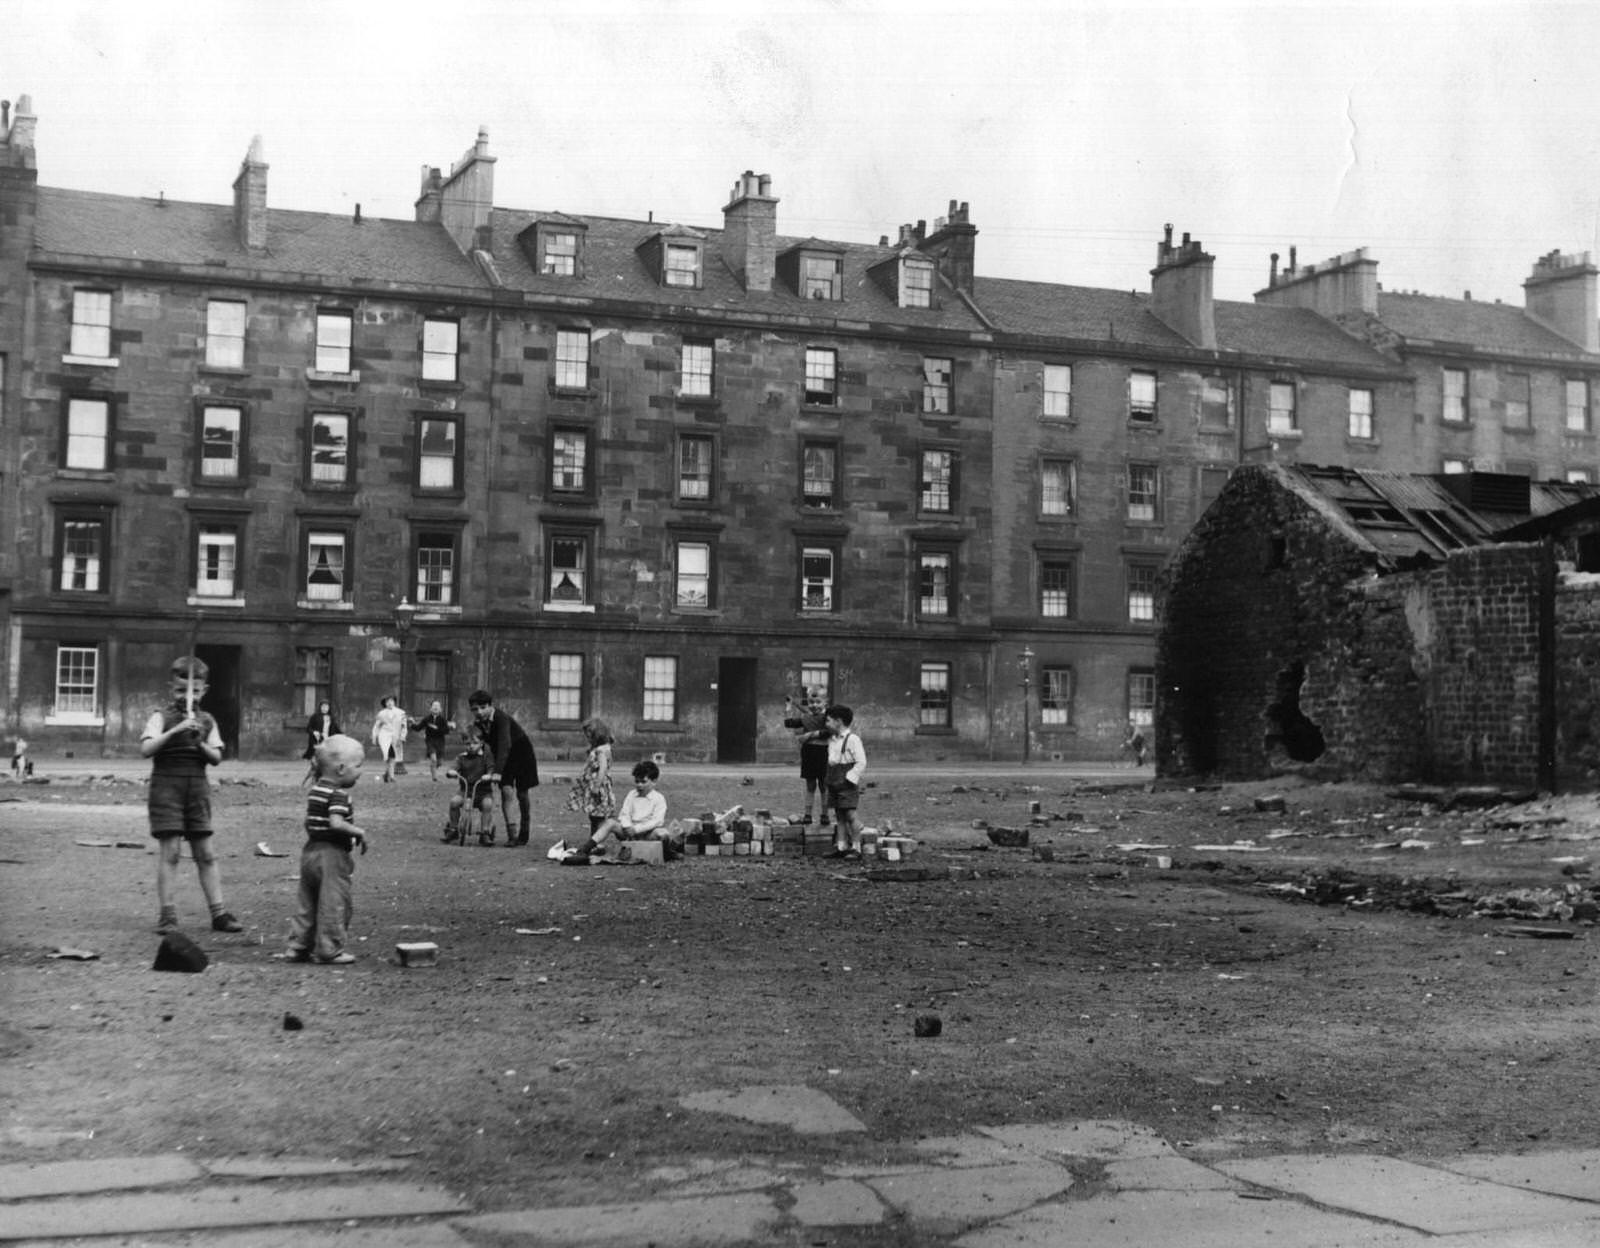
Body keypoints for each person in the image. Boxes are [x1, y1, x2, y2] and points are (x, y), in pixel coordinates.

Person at [141, 655, 242, 935]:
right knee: (171, 852)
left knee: (206, 853)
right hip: (166, 789)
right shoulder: (160, 717)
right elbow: (147, 749)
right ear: (170, 688)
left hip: (197, 790)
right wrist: (175, 731)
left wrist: (199, 743)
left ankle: (219, 914)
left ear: (204, 690)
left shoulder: (207, 721)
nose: (187, 698)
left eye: (195, 692)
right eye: (179, 691)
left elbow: (216, 758)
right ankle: (167, 916)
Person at [284, 734, 369, 965]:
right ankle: (329, 949)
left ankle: (298, 946)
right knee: (334, 902)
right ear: (341, 769)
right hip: (332, 856)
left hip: (310, 852)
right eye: (358, 766)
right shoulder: (339, 795)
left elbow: (309, 821)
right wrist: (358, 832)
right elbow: (336, 823)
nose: (361, 772)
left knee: (307, 902)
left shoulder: (316, 790)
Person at [468, 690, 540, 846]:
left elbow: (504, 744)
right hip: (503, 758)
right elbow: (481, 745)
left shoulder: (501, 718)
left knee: (522, 793)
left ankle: (524, 830)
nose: (479, 712)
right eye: (475, 709)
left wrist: (498, 772)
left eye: (483, 707)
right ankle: (512, 835)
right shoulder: (478, 723)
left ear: (490, 706)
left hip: (521, 754)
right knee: (506, 791)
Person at [565, 758, 670, 862]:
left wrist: (636, 829)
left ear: (654, 781)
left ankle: (666, 854)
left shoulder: (659, 798)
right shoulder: (632, 794)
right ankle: (585, 850)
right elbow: (624, 814)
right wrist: (627, 826)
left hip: (647, 833)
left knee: (663, 833)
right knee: (610, 823)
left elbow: (657, 821)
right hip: (629, 832)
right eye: (637, 781)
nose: (639, 785)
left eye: (643, 782)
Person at [782, 688, 833, 831]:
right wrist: (788, 706)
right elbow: (788, 723)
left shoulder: (828, 717)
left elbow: (830, 731)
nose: (814, 705)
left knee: (824, 785)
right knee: (810, 785)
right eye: (811, 702)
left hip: (824, 752)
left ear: (825, 702)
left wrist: (810, 735)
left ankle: (825, 814)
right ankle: (808, 814)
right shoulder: (806, 718)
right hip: (808, 753)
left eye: (818, 702)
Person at [823, 704, 866, 859]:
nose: (826, 724)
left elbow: (861, 762)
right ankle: (841, 847)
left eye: (828, 720)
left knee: (850, 815)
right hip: (834, 781)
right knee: (839, 815)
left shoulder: (853, 739)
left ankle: (856, 848)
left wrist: (850, 778)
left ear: (838, 721)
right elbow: (832, 761)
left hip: (847, 783)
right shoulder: (833, 740)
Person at [566, 716, 616, 840]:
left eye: (589, 734)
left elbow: (603, 769)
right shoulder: (604, 748)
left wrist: (597, 786)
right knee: (595, 814)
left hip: (598, 785)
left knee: (598, 815)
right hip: (594, 783)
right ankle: (594, 839)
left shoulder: (600, 750)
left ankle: (597, 840)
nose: (587, 737)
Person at [440, 735, 495, 844]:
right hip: (465, 791)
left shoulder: (486, 757)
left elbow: (491, 769)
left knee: (487, 804)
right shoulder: (461, 757)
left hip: (483, 791)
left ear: (481, 744)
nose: (471, 746)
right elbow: (453, 767)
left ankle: (485, 832)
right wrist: (452, 772)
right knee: (454, 802)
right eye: (468, 744)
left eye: (475, 743)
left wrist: (489, 775)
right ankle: (453, 829)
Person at [410, 700, 455, 781]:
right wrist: (412, 723)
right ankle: (434, 777)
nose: (435, 707)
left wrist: (441, 728)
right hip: (430, 741)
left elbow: (446, 731)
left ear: (440, 709)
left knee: (439, 762)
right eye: (434, 705)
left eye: (437, 706)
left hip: (440, 742)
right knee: (433, 759)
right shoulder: (427, 719)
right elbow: (418, 728)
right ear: (430, 709)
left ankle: (433, 766)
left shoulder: (443, 719)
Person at [370, 694, 408, 783]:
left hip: (395, 737)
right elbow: (376, 726)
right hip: (384, 737)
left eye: (391, 700)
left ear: (394, 702)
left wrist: (403, 736)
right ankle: (391, 777)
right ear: (385, 703)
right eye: (387, 701)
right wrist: (374, 737)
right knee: (390, 755)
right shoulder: (381, 714)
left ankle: (387, 774)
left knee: (392, 757)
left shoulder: (401, 713)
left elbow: (404, 726)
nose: (389, 703)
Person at [301, 701, 339, 785]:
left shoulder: (331, 718)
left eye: (326, 707)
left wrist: (343, 735)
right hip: (317, 742)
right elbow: (308, 728)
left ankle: (319, 780)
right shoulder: (315, 717)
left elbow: (336, 729)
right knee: (316, 763)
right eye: (323, 707)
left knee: (325, 763)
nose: (324, 708)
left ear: (329, 708)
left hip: (328, 742)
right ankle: (311, 780)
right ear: (320, 707)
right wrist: (314, 732)